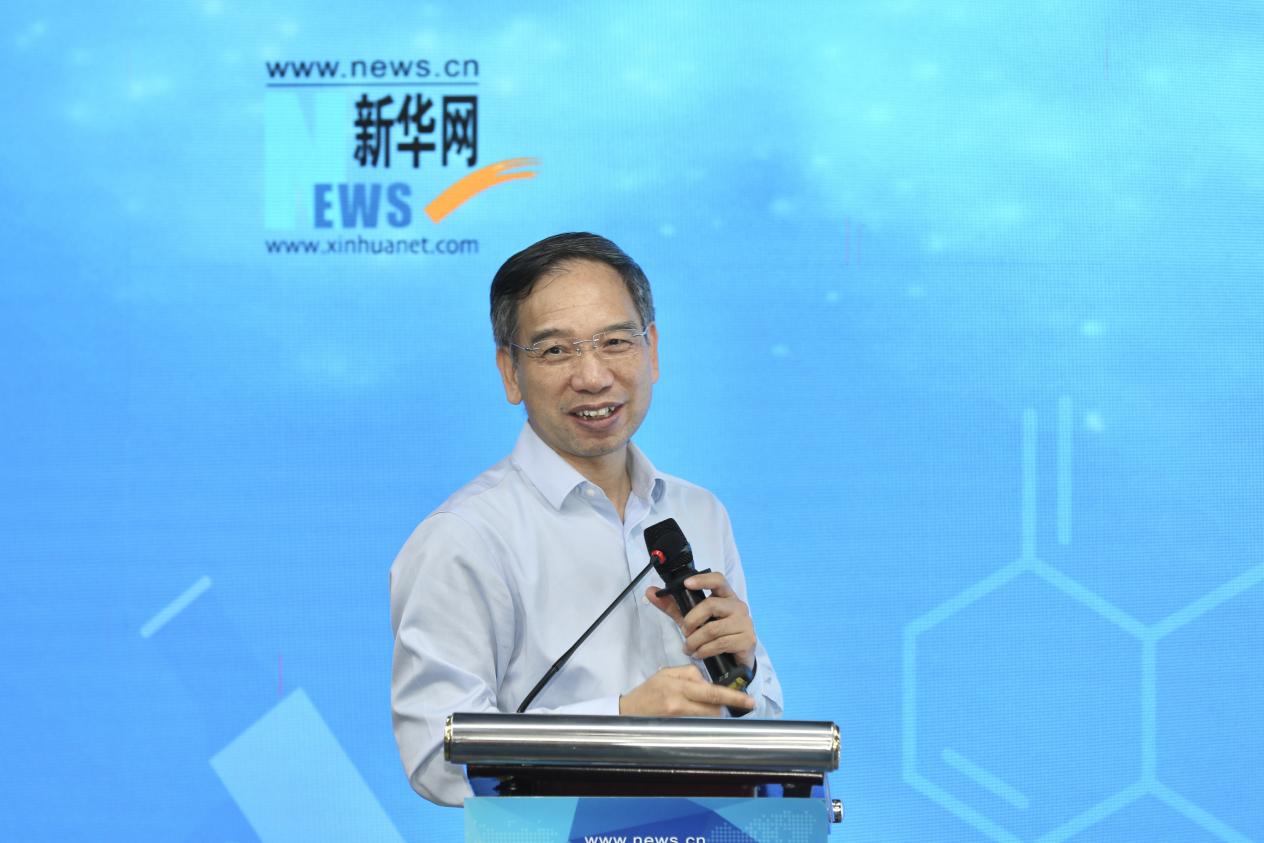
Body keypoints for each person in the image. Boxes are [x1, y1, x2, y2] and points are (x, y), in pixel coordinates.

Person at [389, 232, 784, 806]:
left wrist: (743, 670)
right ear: (510, 372)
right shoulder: (464, 537)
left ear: (652, 350)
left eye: (615, 342)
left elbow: (763, 726)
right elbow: (436, 755)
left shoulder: (698, 512)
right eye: (555, 351)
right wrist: (621, 722)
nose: (593, 376)